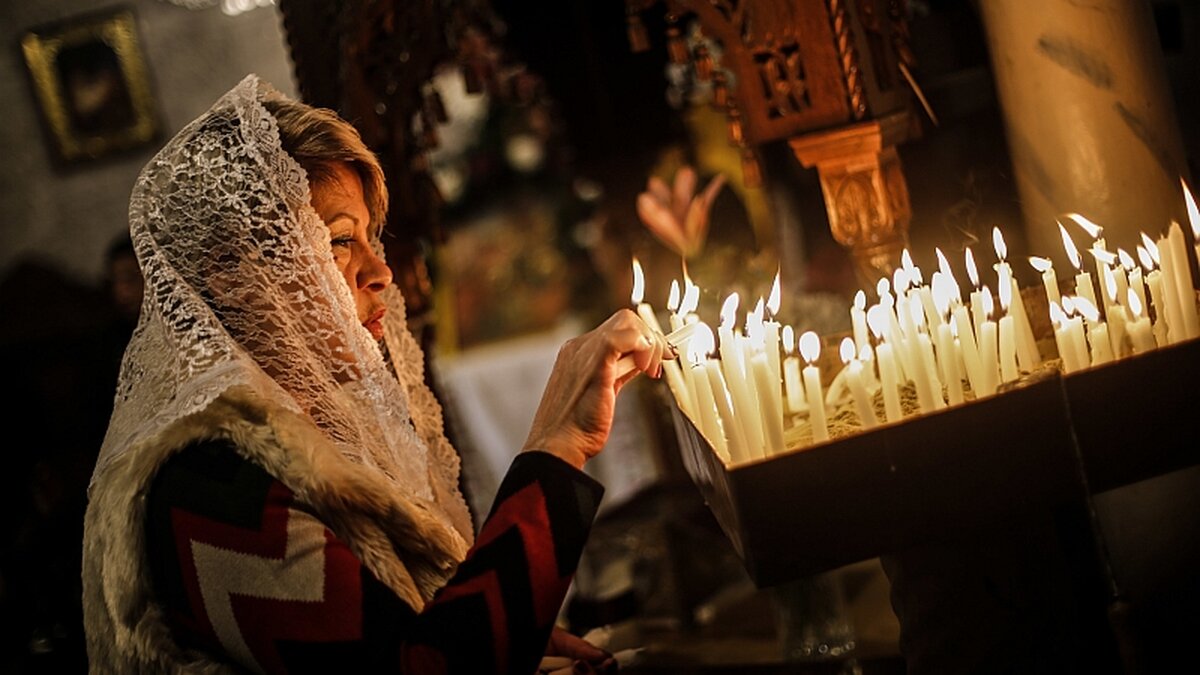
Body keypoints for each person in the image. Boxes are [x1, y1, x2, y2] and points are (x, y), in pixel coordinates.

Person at [82, 74, 669, 674]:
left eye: (370, 238)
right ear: (233, 276)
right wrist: (556, 444)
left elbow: (399, 634)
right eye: (338, 241)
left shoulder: (320, 430)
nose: (379, 272)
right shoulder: (205, 485)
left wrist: (509, 643)